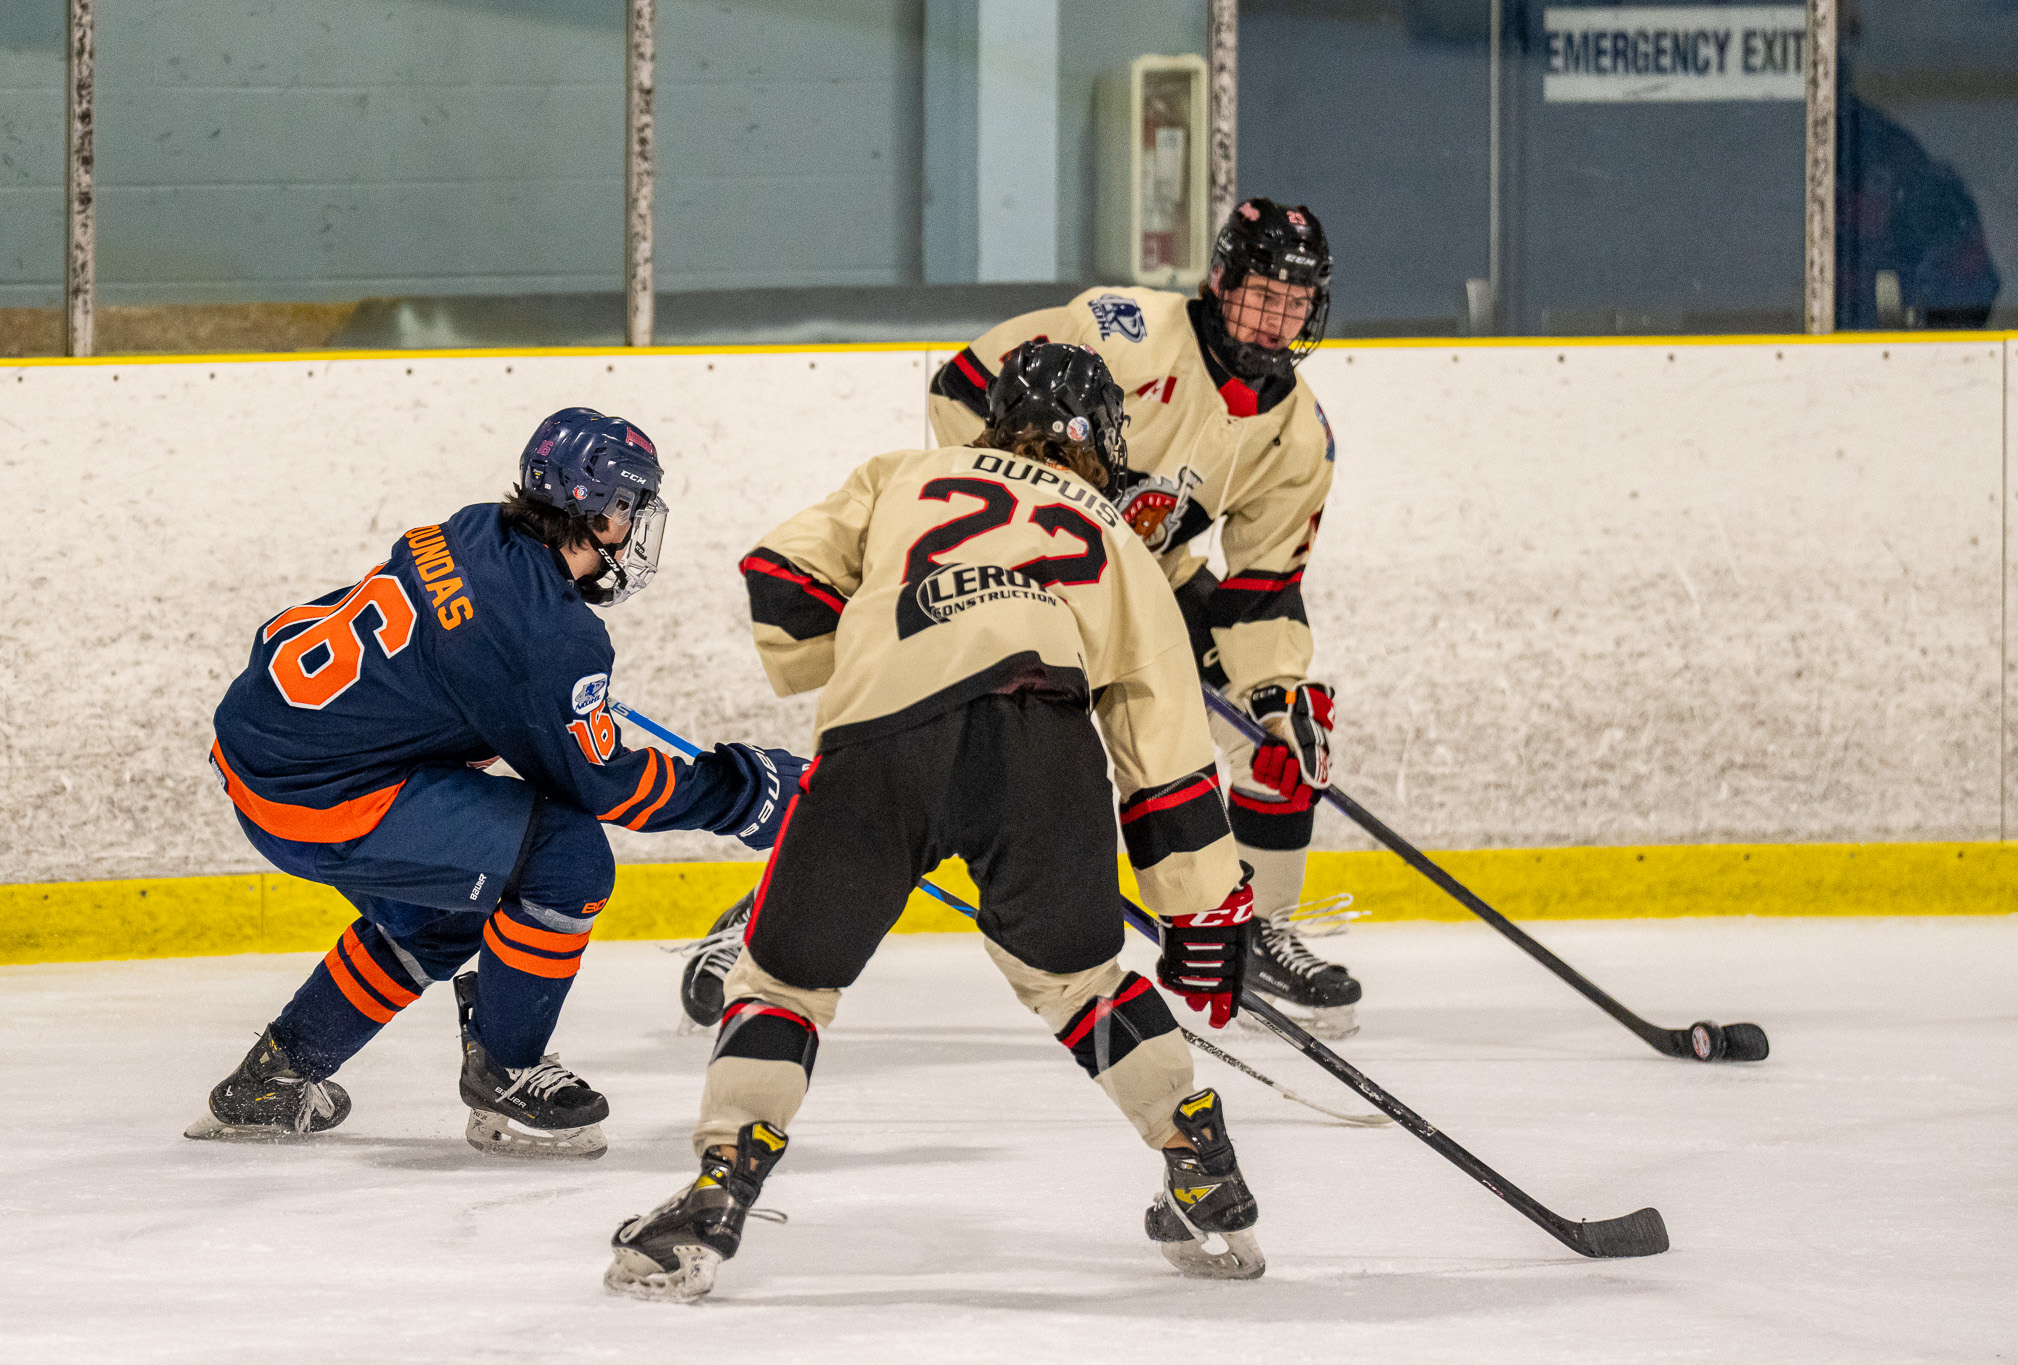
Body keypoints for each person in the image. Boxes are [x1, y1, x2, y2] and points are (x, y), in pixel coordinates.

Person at [607, 342, 1266, 1302]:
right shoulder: (1120, 540)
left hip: (884, 738)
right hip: (1043, 747)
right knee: (1080, 980)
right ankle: (1196, 1154)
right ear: (1099, 438)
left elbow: (780, 584)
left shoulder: (903, 473)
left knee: (785, 980)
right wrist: (1203, 904)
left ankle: (719, 1188)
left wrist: (889, 634)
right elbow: (1163, 744)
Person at [186, 407, 806, 1160]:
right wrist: (747, 792)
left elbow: (474, 671)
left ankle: (274, 1079)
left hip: (266, 750)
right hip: (319, 792)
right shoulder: (546, 634)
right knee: (566, 860)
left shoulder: (480, 528)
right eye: (629, 508)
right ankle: (507, 1075)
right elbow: (603, 786)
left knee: (447, 909)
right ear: (598, 509)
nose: (631, 527)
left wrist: (546, 705)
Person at [927, 197, 1358, 1036]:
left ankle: (1259, 931)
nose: (1277, 319)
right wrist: (1018, 523)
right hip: (1023, 576)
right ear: (1219, 280)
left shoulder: (1299, 435)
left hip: (1145, 586)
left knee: (1278, 740)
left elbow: (1263, 584)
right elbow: (963, 388)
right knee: (922, 760)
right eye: (1262, 294)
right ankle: (765, 915)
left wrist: (1275, 692)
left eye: (1296, 301)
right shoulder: (1121, 330)